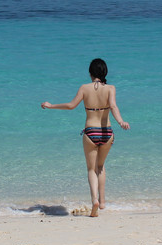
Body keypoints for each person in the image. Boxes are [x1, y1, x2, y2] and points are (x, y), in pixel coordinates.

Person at [41, 58, 130, 217]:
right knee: (101, 166)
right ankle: (102, 202)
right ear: (104, 72)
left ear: (90, 73)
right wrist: (121, 121)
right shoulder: (111, 88)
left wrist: (51, 105)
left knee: (91, 169)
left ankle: (94, 200)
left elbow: (70, 105)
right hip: (107, 133)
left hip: (91, 132)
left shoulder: (84, 88)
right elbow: (114, 106)